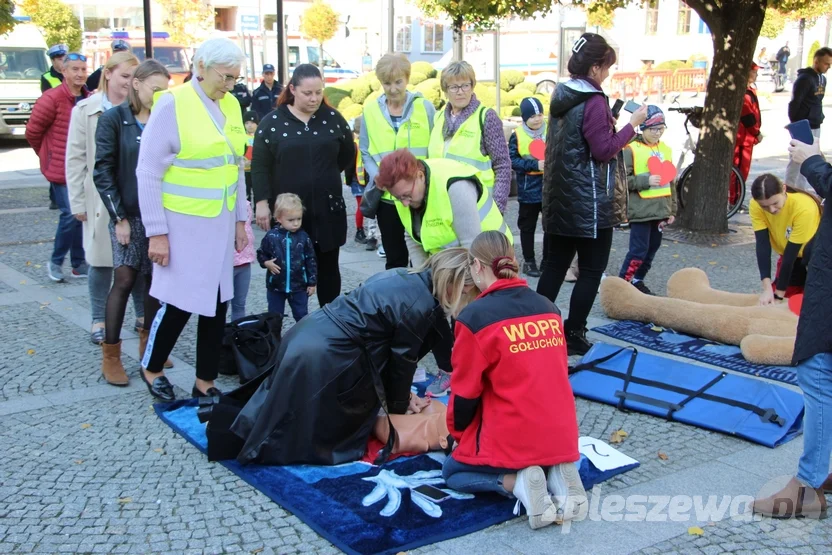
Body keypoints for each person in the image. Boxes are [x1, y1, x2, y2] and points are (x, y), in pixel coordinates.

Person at [229, 247, 474, 466]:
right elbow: (402, 364)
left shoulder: (405, 275)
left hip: (310, 334)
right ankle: (241, 441)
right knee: (295, 429)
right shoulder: (421, 304)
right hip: (326, 353)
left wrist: (405, 397)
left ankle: (230, 430)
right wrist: (397, 414)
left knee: (277, 404)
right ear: (458, 284)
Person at [444, 231, 585, 529]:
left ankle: (516, 481)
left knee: (453, 472)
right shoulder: (549, 307)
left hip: (515, 433)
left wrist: (457, 434)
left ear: (477, 267)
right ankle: (557, 472)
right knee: (540, 444)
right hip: (561, 430)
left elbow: (465, 392)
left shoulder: (475, 317)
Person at [135, 38, 250, 401]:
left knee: (217, 301)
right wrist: (157, 233)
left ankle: (205, 379)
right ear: (201, 67)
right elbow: (148, 171)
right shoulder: (172, 103)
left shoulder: (231, 104)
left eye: (236, 78)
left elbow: (236, 166)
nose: (230, 85)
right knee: (181, 300)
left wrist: (239, 221)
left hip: (218, 221)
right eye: (226, 76)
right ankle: (152, 367)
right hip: (181, 223)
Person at [537, 33, 647, 356]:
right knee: (590, 270)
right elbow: (603, 150)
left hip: (561, 199)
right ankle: (573, 333)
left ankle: (532, 329)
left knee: (554, 267)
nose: (608, 73)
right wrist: (632, 126)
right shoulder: (594, 100)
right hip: (591, 205)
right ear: (596, 67)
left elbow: (575, 142)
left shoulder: (563, 93)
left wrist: (605, 125)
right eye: (607, 67)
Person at [375, 149, 511, 396]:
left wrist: (458, 293)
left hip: (489, 260)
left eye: (406, 196)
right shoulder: (403, 192)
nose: (404, 203)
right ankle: (452, 371)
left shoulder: (454, 186)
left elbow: (472, 247)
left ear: (419, 175)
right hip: (451, 263)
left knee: (476, 319)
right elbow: (412, 235)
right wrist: (425, 277)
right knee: (434, 307)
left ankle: (492, 375)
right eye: (398, 198)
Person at [752, 137, 832, 519]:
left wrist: (813, 163)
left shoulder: (801, 204)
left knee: (817, 370)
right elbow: (763, 246)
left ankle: (807, 485)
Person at [93, 59, 174, 385]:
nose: (159, 96)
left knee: (156, 284)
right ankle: (111, 353)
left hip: (160, 215)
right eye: (155, 89)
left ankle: (149, 344)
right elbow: (103, 171)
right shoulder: (114, 119)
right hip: (127, 215)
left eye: (164, 91)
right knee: (124, 280)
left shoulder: (164, 119)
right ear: (136, 84)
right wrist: (119, 218)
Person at [251, 63, 355, 307]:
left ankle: (330, 322)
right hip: (290, 212)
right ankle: (293, 324)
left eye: (319, 92)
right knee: (289, 269)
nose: (314, 98)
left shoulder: (332, 119)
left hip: (327, 209)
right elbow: (260, 165)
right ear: (293, 90)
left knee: (328, 267)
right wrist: (262, 202)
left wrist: (325, 175)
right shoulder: (273, 122)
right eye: (308, 93)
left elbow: (347, 153)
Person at [66, 51, 143, 347]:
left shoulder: (141, 110)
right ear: (108, 73)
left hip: (134, 194)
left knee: (137, 259)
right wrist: (77, 202)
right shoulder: (85, 110)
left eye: (133, 78)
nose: (129, 83)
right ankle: (98, 318)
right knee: (99, 261)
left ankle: (141, 317)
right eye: (124, 76)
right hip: (99, 198)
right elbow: (76, 159)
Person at [360, 53, 436, 267]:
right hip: (388, 199)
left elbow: (435, 146)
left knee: (425, 255)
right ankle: (397, 299)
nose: (393, 88)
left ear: (407, 78)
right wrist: (379, 177)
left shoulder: (425, 107)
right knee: (394, 258)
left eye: (398, 82)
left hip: (419, 196)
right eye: (387, 83)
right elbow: (365, 150)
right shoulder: (370, 111)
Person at [26, 52, 91, 283]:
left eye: (84, 69)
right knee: (70, 215)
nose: (81, 74)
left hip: (82, 169)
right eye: (75, 69)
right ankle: (56, 261)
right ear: (63, 71)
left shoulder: (89, 98)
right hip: (60, 169)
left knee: (80, 215)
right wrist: (48, 155)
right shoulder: (51, 98)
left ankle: (78, 263)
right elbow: (32, 132)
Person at [429, 61, 511, 214]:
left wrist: (497, 208)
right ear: (445, 91)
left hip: (478, 208)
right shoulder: (438, 118)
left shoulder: (486, 117)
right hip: (442, 207)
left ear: (472, 86)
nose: (460, 92)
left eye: (465, 85)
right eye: (454, 87)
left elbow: (502, 165)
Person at [618, 106, 677, 295]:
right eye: (653, 129)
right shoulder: (630, 149)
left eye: (661, 128)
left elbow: (671, 183)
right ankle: (623, 285)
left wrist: (672, 209)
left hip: (660, 210)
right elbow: (622, 179)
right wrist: (645, 181)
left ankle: (638, 280)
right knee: (638, 251)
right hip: (641, 211)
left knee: (652, 250)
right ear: (642, 127)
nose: (657, 133)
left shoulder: (666, 149)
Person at [750, 173, 820, 306]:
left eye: (775, 203)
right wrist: (767, 288)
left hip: (816, 257)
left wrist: (778, 294)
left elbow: (790, 256)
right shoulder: (755, 205)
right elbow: (763, 245)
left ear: (783, 189)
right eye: (764, 206)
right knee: (788, 301)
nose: (771, 209)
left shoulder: (804, 207)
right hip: (789, 256)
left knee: (812, 304)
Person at [256, 193, 317, 322]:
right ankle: (274, 340)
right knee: (274, 318)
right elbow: (261, 253)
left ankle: (302, 339)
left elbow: (310, 260)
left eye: (298, 219)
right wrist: (266, 263)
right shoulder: (271, 236)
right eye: (291, 220)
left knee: (302, 316)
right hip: (276, 286)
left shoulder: (304, 237)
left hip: (299, 286)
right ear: (278, 218)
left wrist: (312, 282)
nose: (296, 223)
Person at [509, 97, 547, 277]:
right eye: (532, 116)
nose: (537, 119)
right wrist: (533, 165)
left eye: (539, 114)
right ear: (524, 118)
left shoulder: (552, 131)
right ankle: (529, 261)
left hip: (550, 188)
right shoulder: (516, 135)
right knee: (527, 227)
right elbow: (513, 160)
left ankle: (548, 261)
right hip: (528, 190)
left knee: (551, 227)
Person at [786, 47, 832, 192]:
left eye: (830, 64)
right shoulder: (804, 79)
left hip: (816, 123)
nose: (828, 67)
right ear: (816, 61)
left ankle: (801, 190)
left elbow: (817, 101)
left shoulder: (822, 79)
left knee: (810, 158)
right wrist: (797, 126)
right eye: (826, 63)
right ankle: (791, 189)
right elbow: (795, 103)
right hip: (803, 125)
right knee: (797, 160)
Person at [347, 117, 379, 248]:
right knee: (366, 207)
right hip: (362, 181)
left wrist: (348, 180)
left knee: (361, 207)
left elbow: (348, 165)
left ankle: (361, 231)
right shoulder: (361, 144)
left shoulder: (354, 143)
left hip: (358, 180)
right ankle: (362, 232)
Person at [733, 62, 762, 206]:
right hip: (743, 138)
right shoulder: (742, 92)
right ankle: (734, 199)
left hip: (747, 138)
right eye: (754, 72)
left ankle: (736, 199)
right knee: (738, 171)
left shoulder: (749, 90)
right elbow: (747, 115)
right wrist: (756, 132)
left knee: (741, 171)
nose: (756, 74)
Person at [231, 200, 256, 322]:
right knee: (221, 305)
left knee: (240, 304)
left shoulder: (245, 204)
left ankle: (237, 334)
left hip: (245, 262)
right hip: (227, 265)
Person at [242, 110, 259, 202]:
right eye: (247, 123)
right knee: (246, 194)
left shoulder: (260, 136)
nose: (250, 125)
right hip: (245, 170)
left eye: (252, 123)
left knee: (258, 193)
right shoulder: (242, 137)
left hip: (256, 170)